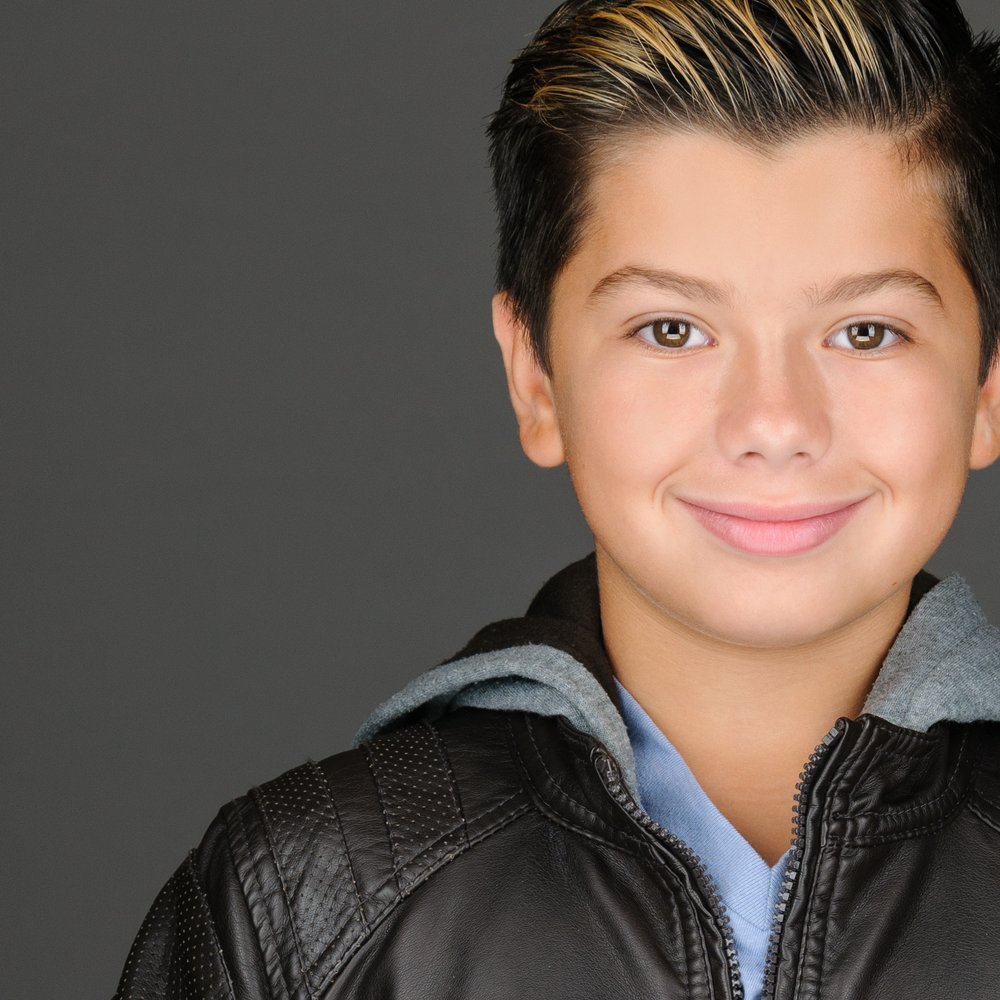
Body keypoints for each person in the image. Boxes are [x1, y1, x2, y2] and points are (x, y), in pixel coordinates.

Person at [113, 1, 1000, 997]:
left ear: (986, 385)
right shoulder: (303, 898)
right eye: (670, 330)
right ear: (534, 375)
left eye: (866, 332)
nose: (773, 421)